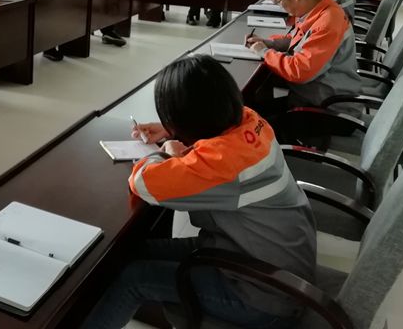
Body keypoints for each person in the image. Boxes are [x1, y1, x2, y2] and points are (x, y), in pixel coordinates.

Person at [80, 56, 316, 329]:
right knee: (129, 252)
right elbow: (219, 144)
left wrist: (167, 152)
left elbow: (143, 183)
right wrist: (172, 130)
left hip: (262, 293)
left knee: (133, 278)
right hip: (263, 259)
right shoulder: (250, 120)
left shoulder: (224, 164)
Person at [246, 0, 360, 120]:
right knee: (255, 106)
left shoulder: (328, 22)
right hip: (314, 95)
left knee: (253, 118)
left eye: (279, 1)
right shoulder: (317, 10)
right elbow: (299, 41)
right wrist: (269, 43)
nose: (281, 7)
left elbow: (300, 71)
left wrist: (264, 52)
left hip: (328, 110)